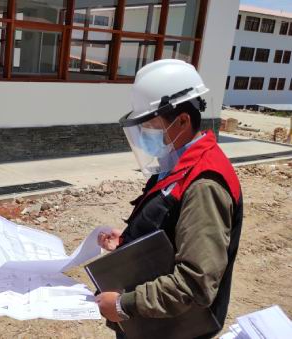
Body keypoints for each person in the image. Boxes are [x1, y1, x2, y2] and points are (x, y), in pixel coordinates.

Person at [94, 59, 243, 339]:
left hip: (171, 329)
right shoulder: (180, 163)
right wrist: (129, 242)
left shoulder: (204, 184)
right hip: (154, 323)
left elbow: (195, 283)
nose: (146, 135)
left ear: (183, 120)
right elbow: (169, 226)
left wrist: (123, 305)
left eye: (150, 125)